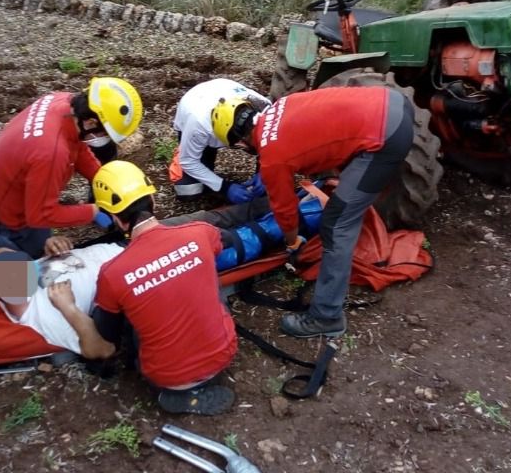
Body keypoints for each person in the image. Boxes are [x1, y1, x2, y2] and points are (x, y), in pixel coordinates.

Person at [211, 85, 413, 339]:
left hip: (385, 138)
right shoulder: (282, 105)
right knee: (345, 201)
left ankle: (326, 317)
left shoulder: (273, 157)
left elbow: (285, 211)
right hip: (393, 101)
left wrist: (293, 241)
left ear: (240, 143)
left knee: (335, 224)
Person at [91, 160, 237, 416]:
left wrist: (66, 306)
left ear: (115, 218)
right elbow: (224, 241)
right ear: (153, 201)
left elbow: (107, 338)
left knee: (118, 314)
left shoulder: (111, 273)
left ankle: (179, 386)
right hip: (223, 354)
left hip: (167, 376)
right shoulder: (200, 232)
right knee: (203, 285)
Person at [0, 77, 142, 260]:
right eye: (106, 133)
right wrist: (93, 211)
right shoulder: (52, 153)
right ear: (91, 123)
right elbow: (40, 216)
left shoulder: (65, 102)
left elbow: (79, 147)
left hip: (11, 184)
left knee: (45, 244)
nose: (105, 139)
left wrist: (104, 178)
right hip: (9, 207)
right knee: (34, 264)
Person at [0, 236, 121, 359]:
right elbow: (103, 350)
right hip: (132, 265)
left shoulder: (21, 281)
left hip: (119, 245)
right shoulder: (46, 317)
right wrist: (69, 308)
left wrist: (50, 248)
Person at [170, 78, 270, 202]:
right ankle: (183, 152)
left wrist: (265, 171)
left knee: (270, 179)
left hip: (224, 87)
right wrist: (225, 188)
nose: (241, 146)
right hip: (196, 100)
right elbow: (189, 162)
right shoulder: (198, 126)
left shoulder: (265, 109)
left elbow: (275, 142)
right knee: (189, 191)